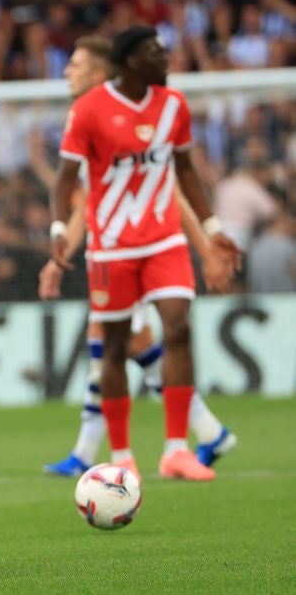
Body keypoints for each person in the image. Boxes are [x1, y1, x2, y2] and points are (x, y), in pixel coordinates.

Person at [38, 36, 238, 475]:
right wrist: (60, 249)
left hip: (160, 242)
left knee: (161, 332)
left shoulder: (169, 106)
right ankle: (195, 434)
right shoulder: (88, 115)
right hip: (111, 250)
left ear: (99, 71)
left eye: (74, 64)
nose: (66, 71)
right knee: (119, 344)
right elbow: (82, 201)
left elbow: (176, 182)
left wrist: (209, 241)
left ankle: (166, 446)